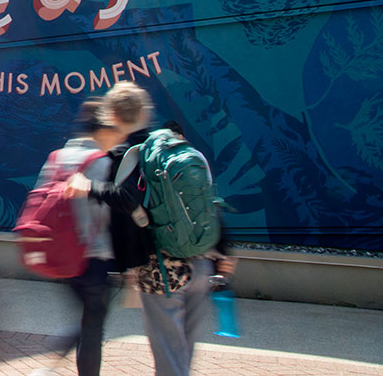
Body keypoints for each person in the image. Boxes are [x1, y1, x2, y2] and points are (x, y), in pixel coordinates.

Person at [67, 85, 235, 376]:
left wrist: (89, 187)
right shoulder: (176, 148)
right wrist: (224, 250)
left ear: (112, 116)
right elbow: (206, 199)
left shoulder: (127, 155)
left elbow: (127, 199)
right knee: (181, 356)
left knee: (170, 358)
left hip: (163, 273)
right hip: (202, 262)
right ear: (145, 112)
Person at [32, 99, 127, 376]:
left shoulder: (56, 157)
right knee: (92, 327)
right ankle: (54, 363)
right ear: (102, 129)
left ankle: (54, 360)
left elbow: (40, 200)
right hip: (94, 257)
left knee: (86, 320)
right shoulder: (102, 162)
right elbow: (111, 212)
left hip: (61, 256)